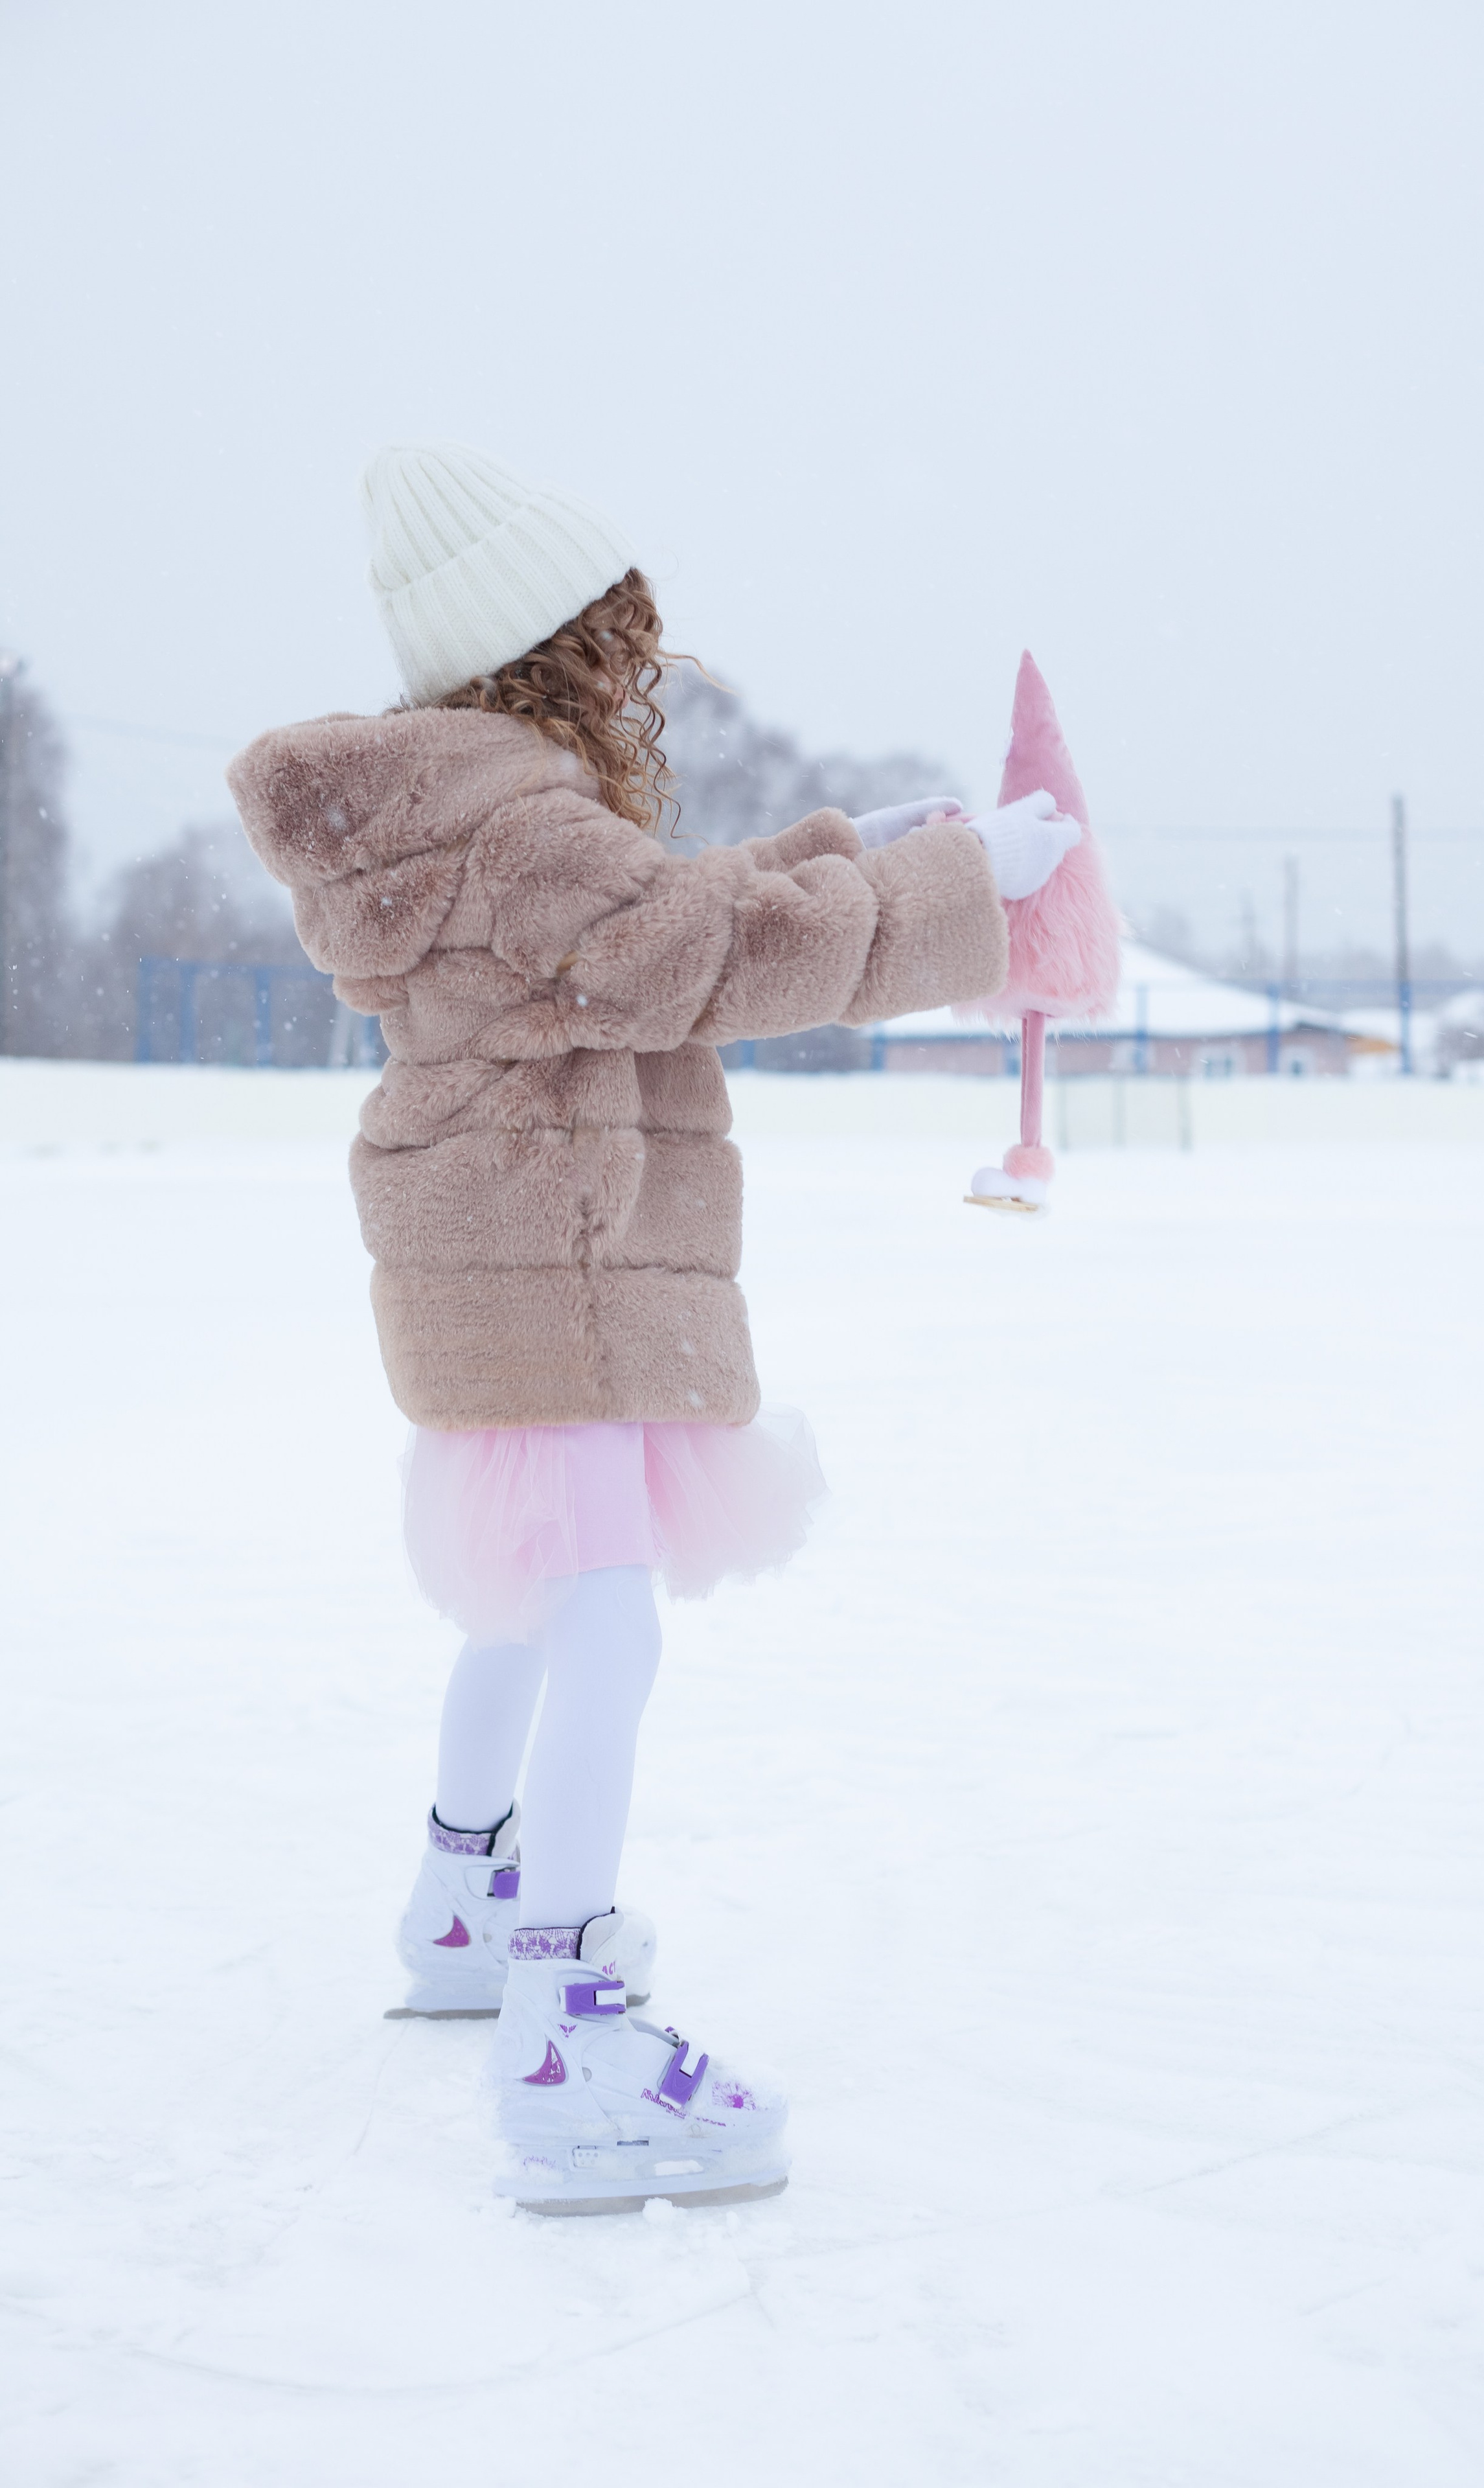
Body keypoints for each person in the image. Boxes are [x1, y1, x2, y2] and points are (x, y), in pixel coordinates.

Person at [229, 441, 1079, 2214]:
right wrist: (962, 892)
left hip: (505, 1261)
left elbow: (657, 922)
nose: (639, 666)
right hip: (556, 1259)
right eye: (616, 635)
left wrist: (875, 850)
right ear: (547, 643)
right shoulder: (526, 829)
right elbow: (709, 956)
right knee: (602, 1625)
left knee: (531, 1605)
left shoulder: (465, 820)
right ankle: (569, 2045)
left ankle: (466, 1901)